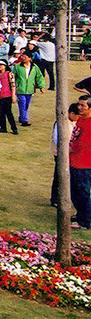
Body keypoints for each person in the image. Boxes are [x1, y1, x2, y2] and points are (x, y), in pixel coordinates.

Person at [69, 96, 91, 230]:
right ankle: (81, 214)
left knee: (82, 192)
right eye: (79, 105)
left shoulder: (89, 123)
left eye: (83, 105)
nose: (80, 108)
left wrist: (70, 149)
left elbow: (83, 143)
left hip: (84, 163)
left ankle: (84, 221)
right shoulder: (81, 119)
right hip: (75, 160)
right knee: (75, 192)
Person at [12, 52, 46, 127]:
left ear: (30, 58)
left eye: (25, 57)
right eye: (22, 56)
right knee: (22, 103)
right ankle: (24, 120)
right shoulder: (17, 67)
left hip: (30, 89)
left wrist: (41, 87)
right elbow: (13, 77)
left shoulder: (34, 67)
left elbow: (39, 77)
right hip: (20, 89)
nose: (23, 58)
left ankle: (22, 117)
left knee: (26, 104)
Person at [0, 59, 18, 135]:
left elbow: (13, 85)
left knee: (8, 112)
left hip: (7, 95)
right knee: (1, 112)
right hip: (0, 95)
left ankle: (14, 128)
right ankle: (3, 127)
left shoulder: (9, 74)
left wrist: (13, 95)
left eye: (1, 65)